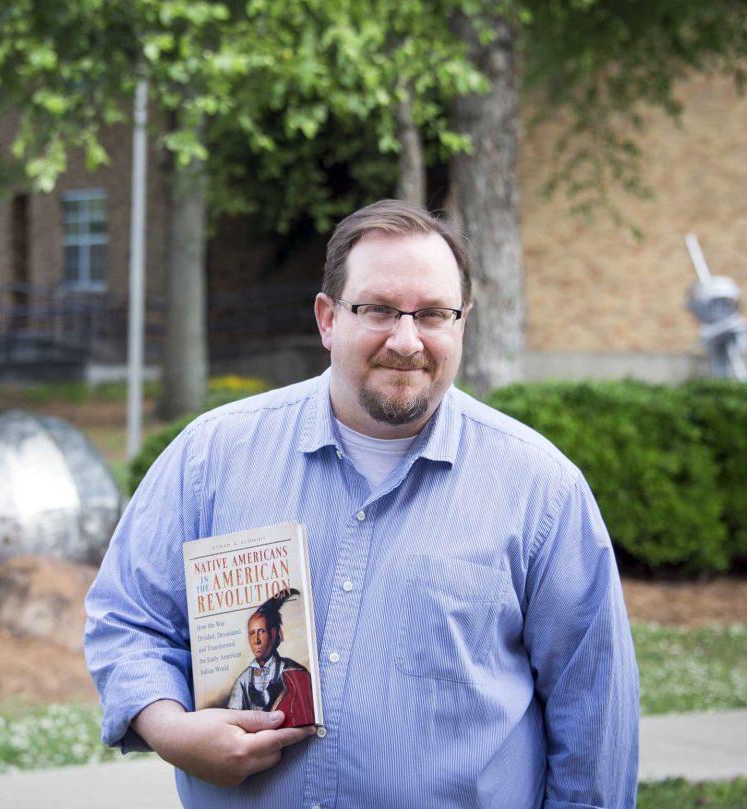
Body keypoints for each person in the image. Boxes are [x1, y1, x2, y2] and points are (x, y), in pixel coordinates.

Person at [85, 199, 639, 807]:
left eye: (433, 314)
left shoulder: (541, 490)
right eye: (377, 309)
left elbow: (594, 710)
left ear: (462, 323)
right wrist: (170, 731)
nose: (406, 341)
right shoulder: (212, 457)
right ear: (327, 319)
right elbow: (127, 619)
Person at [226, 590, 313, 727]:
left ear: (273, 634)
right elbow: (232, 723)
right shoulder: (242, 681)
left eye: (261, 631)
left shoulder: (296, 673)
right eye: (251, 633)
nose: (256, 640)